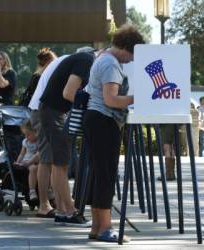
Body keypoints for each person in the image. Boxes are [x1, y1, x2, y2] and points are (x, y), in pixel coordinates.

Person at [83, 24, 144, 242]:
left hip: (95, 119)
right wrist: (139, 97)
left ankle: (97, 227)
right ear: (126, 47)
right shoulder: (110, 63)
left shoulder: (103, 58)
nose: (132, 59)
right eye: (133, 54)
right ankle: (105, 228)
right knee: (106, 175)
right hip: (104, 120)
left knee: (98, 174)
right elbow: (111, 99)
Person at [39, 48, 95, 226]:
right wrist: (91, 107)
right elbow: (69, 93)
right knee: (61, 164)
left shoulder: (81, 58)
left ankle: (63, 211)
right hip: (54, 112)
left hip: (52, 111)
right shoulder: (87, 60)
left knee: (58, 164)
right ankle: (71, 211)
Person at [29, 53, 68, 218]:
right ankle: (44, 205)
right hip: (43, 111)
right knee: (46, 159)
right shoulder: (73, 64)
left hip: (45, 110)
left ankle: (58, 204)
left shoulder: (64, 61)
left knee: (52, 160)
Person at [15, 119, 39, 201]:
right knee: (33, 169)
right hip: (27, 161)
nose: (26, 137)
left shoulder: (40, 141)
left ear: (36, 132)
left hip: (38, 161)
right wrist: (18, 162)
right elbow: (22, 153)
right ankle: (32, 191)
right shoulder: (25, 142)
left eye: (28, 134)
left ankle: (48, 189)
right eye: (25, 134)